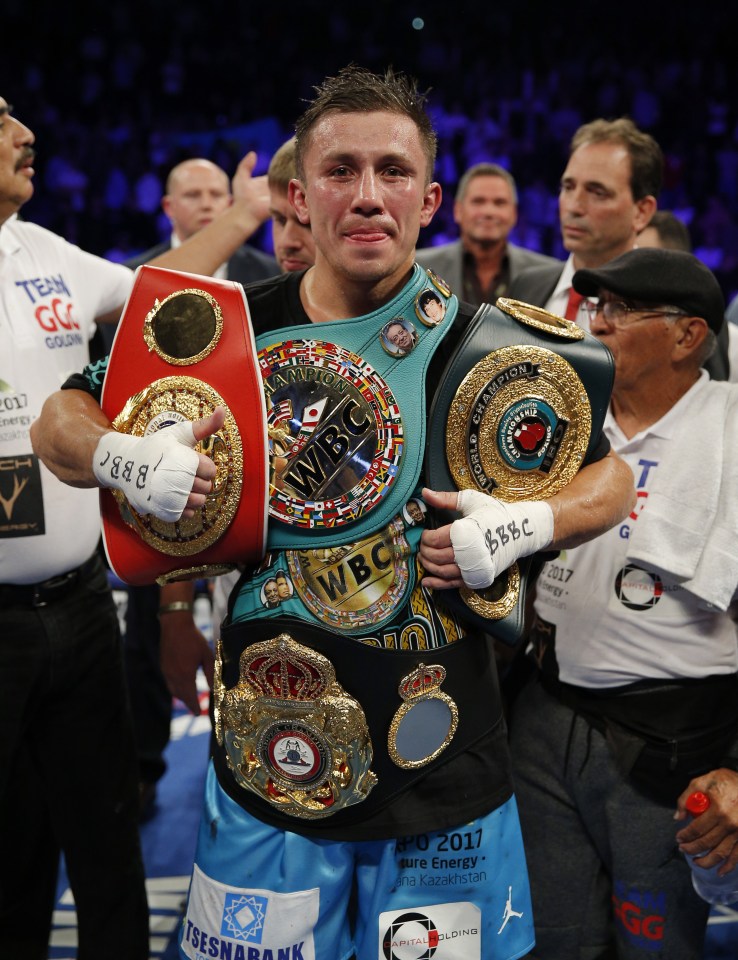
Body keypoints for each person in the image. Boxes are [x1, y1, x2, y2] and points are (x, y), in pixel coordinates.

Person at [30, 65, 635, 960]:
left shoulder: (483, 342)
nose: (367, 195)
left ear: (429, 199)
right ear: (298, 196)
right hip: (269, 759)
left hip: (448, 764)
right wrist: (124, 456)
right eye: (341, 170)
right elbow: (57, 422)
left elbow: (612, 479)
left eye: (392, 172)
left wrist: (521, 527)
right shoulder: (228, 328)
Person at [0, 90, 279, 958]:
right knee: (10, 852)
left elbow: (160, 291)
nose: (25, 133)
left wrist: (243, 217)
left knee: (109, 842)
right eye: (0, 118)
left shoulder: (43, 252)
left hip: (83, 608)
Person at [507, 248, 738, 959]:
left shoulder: (731, 432)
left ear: (687, 335)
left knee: (658, 950)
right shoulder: (561, 423)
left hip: (673, 739)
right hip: (544, 718)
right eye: (595, 308)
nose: (597, 325)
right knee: (556, 942)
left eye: (620, 311)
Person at [121, 154, 281, 817]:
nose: (211, 202)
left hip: (250, 490)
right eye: (195, 192)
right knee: (150, 633)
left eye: (222, 191)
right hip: (158, 494)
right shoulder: (139, 282)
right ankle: (140, 769)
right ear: (170, 208)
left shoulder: (265, 278)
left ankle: (264, 765)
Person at [509, 117, 729, 380]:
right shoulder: (526, 286)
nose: (574, 206)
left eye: (597, 192)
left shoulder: (683, 308)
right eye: (568, 187)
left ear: (642, 211)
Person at [416, 162, 558, 302]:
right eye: (478, 201)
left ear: (514, 214)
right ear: (458, 210)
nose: (488, 212)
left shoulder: (550, 275)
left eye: (499, 203)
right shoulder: (419, 267)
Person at [126, 155, 280, 282]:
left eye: (216, 195)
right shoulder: (133, 277)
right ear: (169, 207)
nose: (206, 205)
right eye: (192, 195)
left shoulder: (272, 273)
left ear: (229, 204)